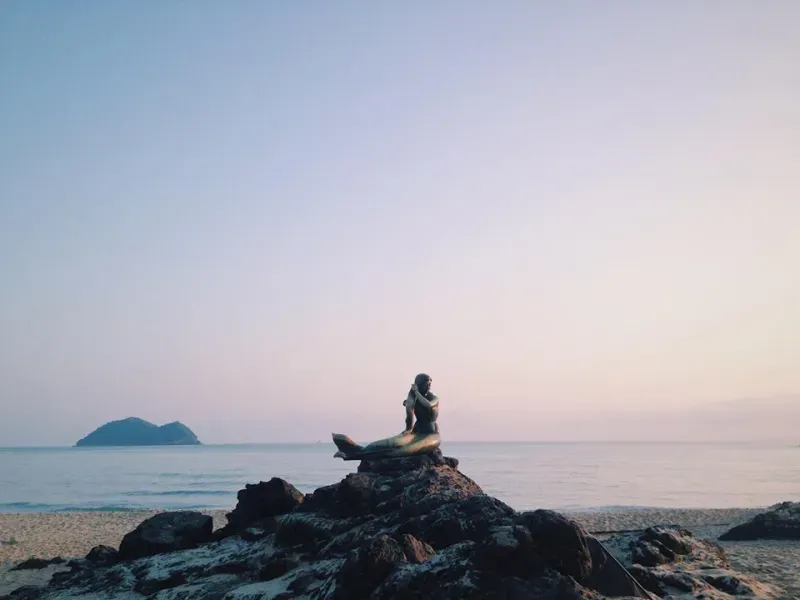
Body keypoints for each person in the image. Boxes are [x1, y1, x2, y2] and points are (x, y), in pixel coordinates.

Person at [332, 373, 440, 460]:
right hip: (416, 432)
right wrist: (408, 429)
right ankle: (354, 449)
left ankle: (354, 455)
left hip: (431, 434)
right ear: (419, 384)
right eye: (427, 383)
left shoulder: (434, 398)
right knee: (391, 443)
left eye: (430, 383)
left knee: (403, 451)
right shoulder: (413, 396)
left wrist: (416, 392)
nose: (429, 385)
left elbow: (428, 405)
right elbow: (409, 415)